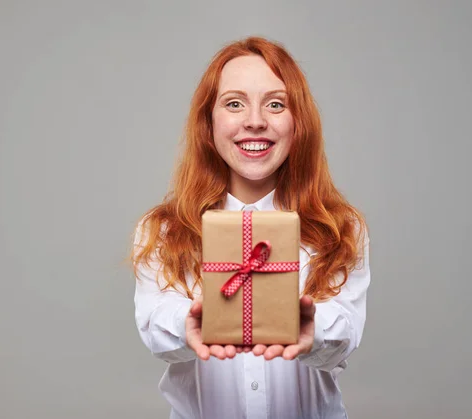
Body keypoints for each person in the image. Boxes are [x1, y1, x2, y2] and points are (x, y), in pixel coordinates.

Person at [131, 36, 371, 419]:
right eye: (234, 103)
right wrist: (188, 322)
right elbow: (154, 324)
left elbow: (344, 336)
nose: (255, 121)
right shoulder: (163, 230)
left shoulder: (341, 228)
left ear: (299, 124)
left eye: (276, 104)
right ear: (209, 124)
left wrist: (314, 331)